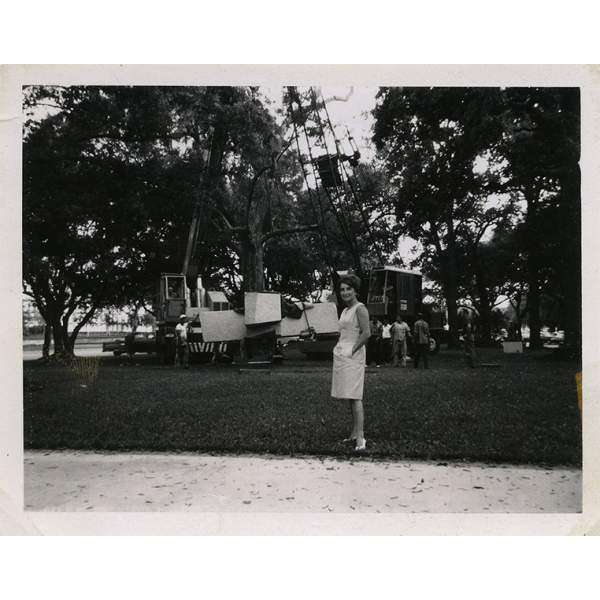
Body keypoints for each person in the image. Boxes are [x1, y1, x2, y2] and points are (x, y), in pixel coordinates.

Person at [331, 274, 371, 452]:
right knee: (349, 395)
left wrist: (352, 350)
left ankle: (361, 438)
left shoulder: (360, 308)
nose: (345, 292)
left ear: (355, 290)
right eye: (342, 289)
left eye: (349, 289)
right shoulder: (345, 310)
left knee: (356, 396)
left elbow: (366, 333)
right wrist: (340, 348)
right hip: (342, 353)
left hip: (353, 354)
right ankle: (354, 433)